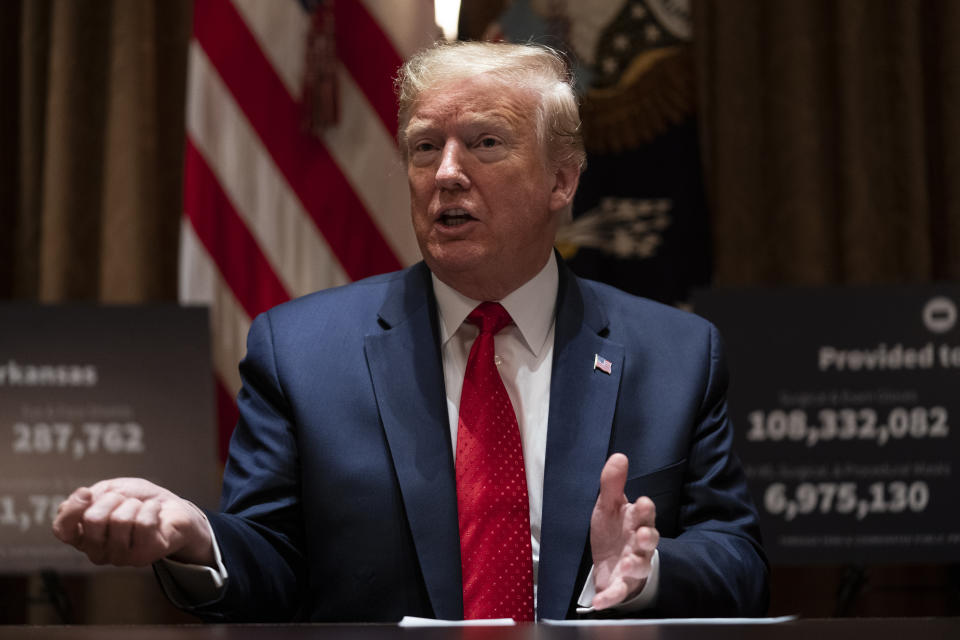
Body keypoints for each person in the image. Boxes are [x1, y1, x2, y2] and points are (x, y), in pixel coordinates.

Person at [52, 41, 768, 622]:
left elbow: (738, 558)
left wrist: (647, 573)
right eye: (425, 148)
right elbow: (269, 561)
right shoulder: (300, 353)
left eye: (485, 142)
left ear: (562, 180)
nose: (446, 173)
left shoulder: (675, 353)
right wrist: (196, 537)